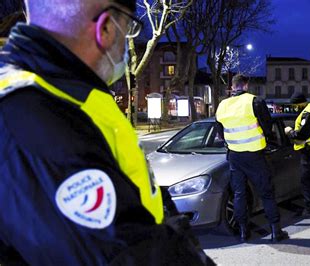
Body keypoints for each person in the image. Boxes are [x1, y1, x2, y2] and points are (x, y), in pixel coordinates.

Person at [0, 0, 212, 265]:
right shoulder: (29, 113)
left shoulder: (69, 94)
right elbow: (123, 254)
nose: (128, 42)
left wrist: (166, 223)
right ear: (107, 27)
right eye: (129, 29)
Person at [215, 74, 289, 243]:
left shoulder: (222, 105)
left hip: (234, 156)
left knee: (239, 194)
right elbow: (268, 127)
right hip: (255, 155)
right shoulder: (254, 101)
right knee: (266, 193)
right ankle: (276, 231)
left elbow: (220, 133)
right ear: (246, 85)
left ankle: (243, 232)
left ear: (233, 87)